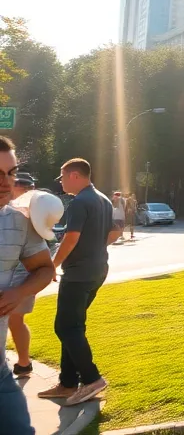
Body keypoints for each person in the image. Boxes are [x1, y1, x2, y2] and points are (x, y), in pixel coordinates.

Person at [38, 157, 121, 407]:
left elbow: (71, 239)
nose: (61, 182)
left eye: (62, 177)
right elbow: (115, 232)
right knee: (74, 327)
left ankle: (92, 379)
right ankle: (67, 383)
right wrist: (94, 248)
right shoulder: (104, 200)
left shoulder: (79, 202)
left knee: (65, 327)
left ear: (75, 175)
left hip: (78, 274)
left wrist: (51, 265)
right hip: (98, 270)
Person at [0, 140, 56, 435]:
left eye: (11, 173)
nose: (7, 183)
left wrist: (18, 292)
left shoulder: (20, 223)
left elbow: (46, 270)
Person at [6, 172, 41, 379]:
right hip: (14, 270)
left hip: (21, 273)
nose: (23, 189)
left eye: (27, 186)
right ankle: (23, 363)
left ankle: (24, 362)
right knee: (13, 319)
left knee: (14, 318)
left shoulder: (32, 210)